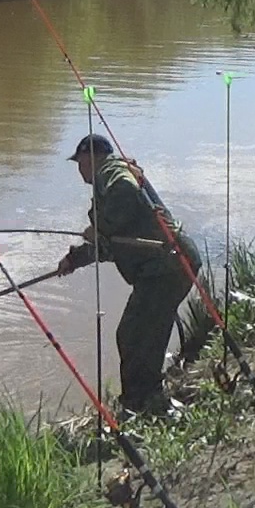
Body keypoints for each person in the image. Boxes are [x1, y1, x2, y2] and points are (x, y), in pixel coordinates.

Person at [55, 132, 205, 417]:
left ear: (91, 156)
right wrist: (75, 258)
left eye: (80, 162)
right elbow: (116, 245)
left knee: (135, 335)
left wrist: (101, 227)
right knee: (139, 334)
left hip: (166, 266)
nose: (79, 170)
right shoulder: (110, 181)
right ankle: (142, 400)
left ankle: (144, 403)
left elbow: (123, 193)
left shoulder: (111, 171)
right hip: (168, 265)